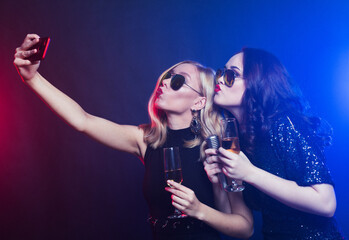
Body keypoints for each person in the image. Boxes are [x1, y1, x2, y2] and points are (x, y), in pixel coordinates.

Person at [14, 34, 253, 240]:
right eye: (168, 76)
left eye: (179, 81)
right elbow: (83, 120)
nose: (166, 82)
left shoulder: (216, 146)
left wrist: (199, 209)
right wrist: (32, 78)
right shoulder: (146, 139)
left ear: (200, 101)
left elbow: (245, 227)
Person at [204, 47, 346, 239]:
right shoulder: (239, 140)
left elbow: (326, 203)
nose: (219, 79)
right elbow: (236, 223)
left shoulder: (285, 124)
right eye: (222, 73)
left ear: (257, 83)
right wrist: (219, 182)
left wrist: (250, 173)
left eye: (232, 75)